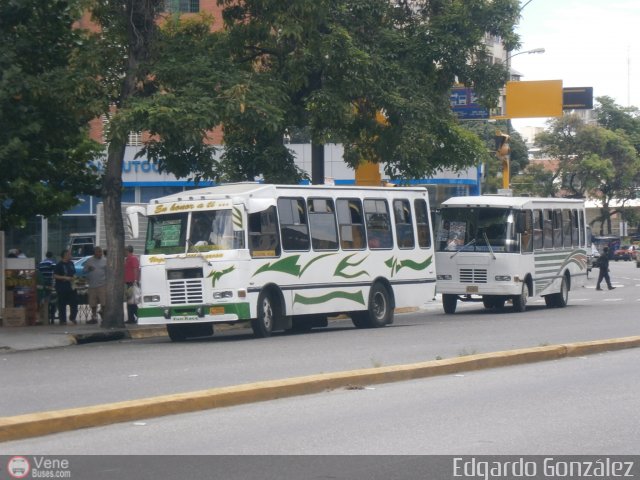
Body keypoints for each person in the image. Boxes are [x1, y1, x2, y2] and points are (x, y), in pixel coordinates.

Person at [53, 249, 78, 325]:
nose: (71, 255)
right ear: (65, 255)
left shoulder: (71, 263)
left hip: (72, 286)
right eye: (69, 254)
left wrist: (75, 279)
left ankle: (72, 317)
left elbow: (73, 273)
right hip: (62, 287)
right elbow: (55, 275)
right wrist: (65, 278)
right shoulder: (59, 265)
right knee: (62, 304)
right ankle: (63, 320)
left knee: (74, 303)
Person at [83, 246, 107, 324]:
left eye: (101, 252)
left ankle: (104, 316)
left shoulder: (105, 260)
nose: (100, 253)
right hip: (92, 285)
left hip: (102, 284)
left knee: (104, 302)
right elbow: (84, 271)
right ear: (95, 253)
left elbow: (108, 272)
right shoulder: (89, 261)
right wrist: (88, 269)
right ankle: (94, 317)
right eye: (98, 252)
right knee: (93, 303)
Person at [38, 251, 57, 324]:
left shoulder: (41, 263)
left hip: (43, 283)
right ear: (51, 256)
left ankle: (46, 314)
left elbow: (39, 271)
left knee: (45, 298)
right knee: (52, 299)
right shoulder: (52, 262)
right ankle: (51, 316)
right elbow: (55, 270)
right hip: (50, 282)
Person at [124, 245, 140, 324]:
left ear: (127, 251)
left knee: (132, 302)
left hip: (132, 282)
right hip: (128, 282)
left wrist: (135, 280)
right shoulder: (127, 259)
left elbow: (135, 269)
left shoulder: (133, 258)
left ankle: (137, 317)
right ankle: (131, 318)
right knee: (130, 302)